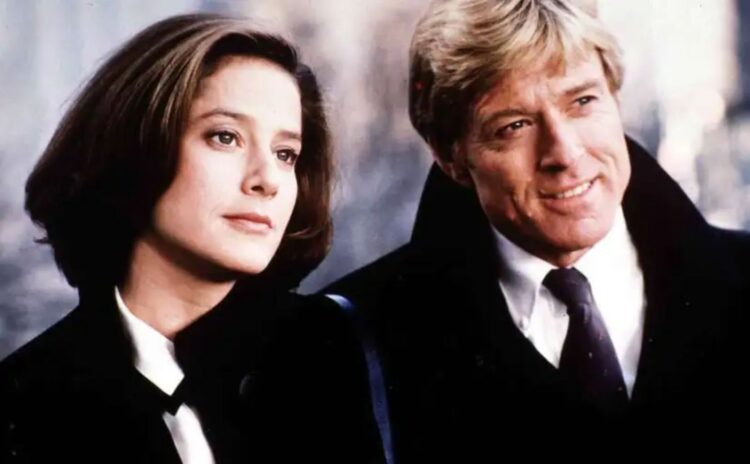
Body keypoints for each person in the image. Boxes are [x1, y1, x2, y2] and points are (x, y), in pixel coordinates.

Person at [328, 0, 750, 460]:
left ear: (615, 100)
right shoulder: (354, 340)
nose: (564, 153)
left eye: (583, 102)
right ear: (452, 159)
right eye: (515, 126)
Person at [0, 13, 383, 463]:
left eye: (285, 154)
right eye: (226, 137)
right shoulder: (24, 400)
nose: (267, 180)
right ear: (134, 148)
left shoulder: (326, 347)